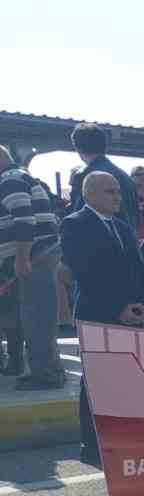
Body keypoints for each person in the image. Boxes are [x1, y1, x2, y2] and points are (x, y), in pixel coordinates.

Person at [60, 171, 144, 465]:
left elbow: (138, 268)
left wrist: (142, 303)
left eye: (118, 191)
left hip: (131, 316)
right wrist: (116, 307)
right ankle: (92, 445)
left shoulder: (123, 227)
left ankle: (122, 438)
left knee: (127, 378)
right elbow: (85, 272)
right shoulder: (75, 225)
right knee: (96, 381)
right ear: (90, 194)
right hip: (97, 313)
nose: (118, 196)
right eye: (111, 191)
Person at [0, 146, 65, 390]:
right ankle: (51, 370)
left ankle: (46, 375)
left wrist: (21, 257)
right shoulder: (20, 176)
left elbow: (24, 219)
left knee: (36, 318)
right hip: (40, 254)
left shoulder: (9, 180)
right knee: (40, 317)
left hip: (35, 256)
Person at [66, 123, 139, 235]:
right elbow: (136, 217)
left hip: (98, 244)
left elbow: (79, 217)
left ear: (77, 148)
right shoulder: (126, 178)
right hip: (127, 243)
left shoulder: (86, 177)